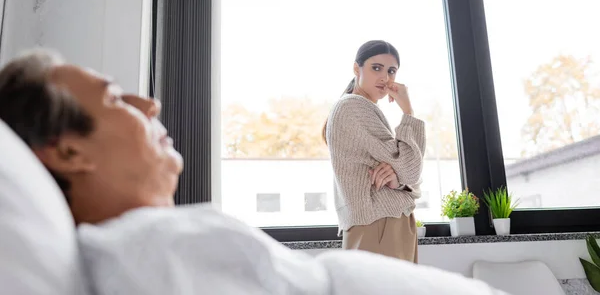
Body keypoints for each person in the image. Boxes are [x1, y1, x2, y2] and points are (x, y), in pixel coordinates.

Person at [0, 49, 506, 295]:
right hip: (378, 220)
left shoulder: (161, 244)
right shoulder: (152, 249)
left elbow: (405, 166)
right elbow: (410, 161)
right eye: (113, 97)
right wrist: (408, 130)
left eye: (394, 71)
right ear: (67, 152)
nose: (149, 103)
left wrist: (400, 166)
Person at [323, 40, 425, 262]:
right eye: (376, 68)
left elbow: (409, 176)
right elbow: (411, 170)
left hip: (385, 223)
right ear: (356, 68)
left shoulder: (362, 108)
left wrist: (399, 180)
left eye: (391, 71)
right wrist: (408, 110)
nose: (385, 78)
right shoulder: (353, 106)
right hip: (380, 225)